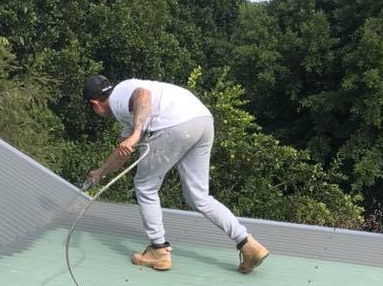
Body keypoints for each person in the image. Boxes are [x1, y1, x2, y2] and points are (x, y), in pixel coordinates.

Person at [82, 74, 269, 273]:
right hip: (202, 121)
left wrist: (137, 134)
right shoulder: (128, 110)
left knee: (145, 187)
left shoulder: (118, 97)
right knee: (199, 196)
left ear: (95, 104)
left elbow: (142, 96)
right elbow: (122, 152)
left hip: (174, 124)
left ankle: (158, 251)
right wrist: (100, 172)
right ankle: (248, 244)